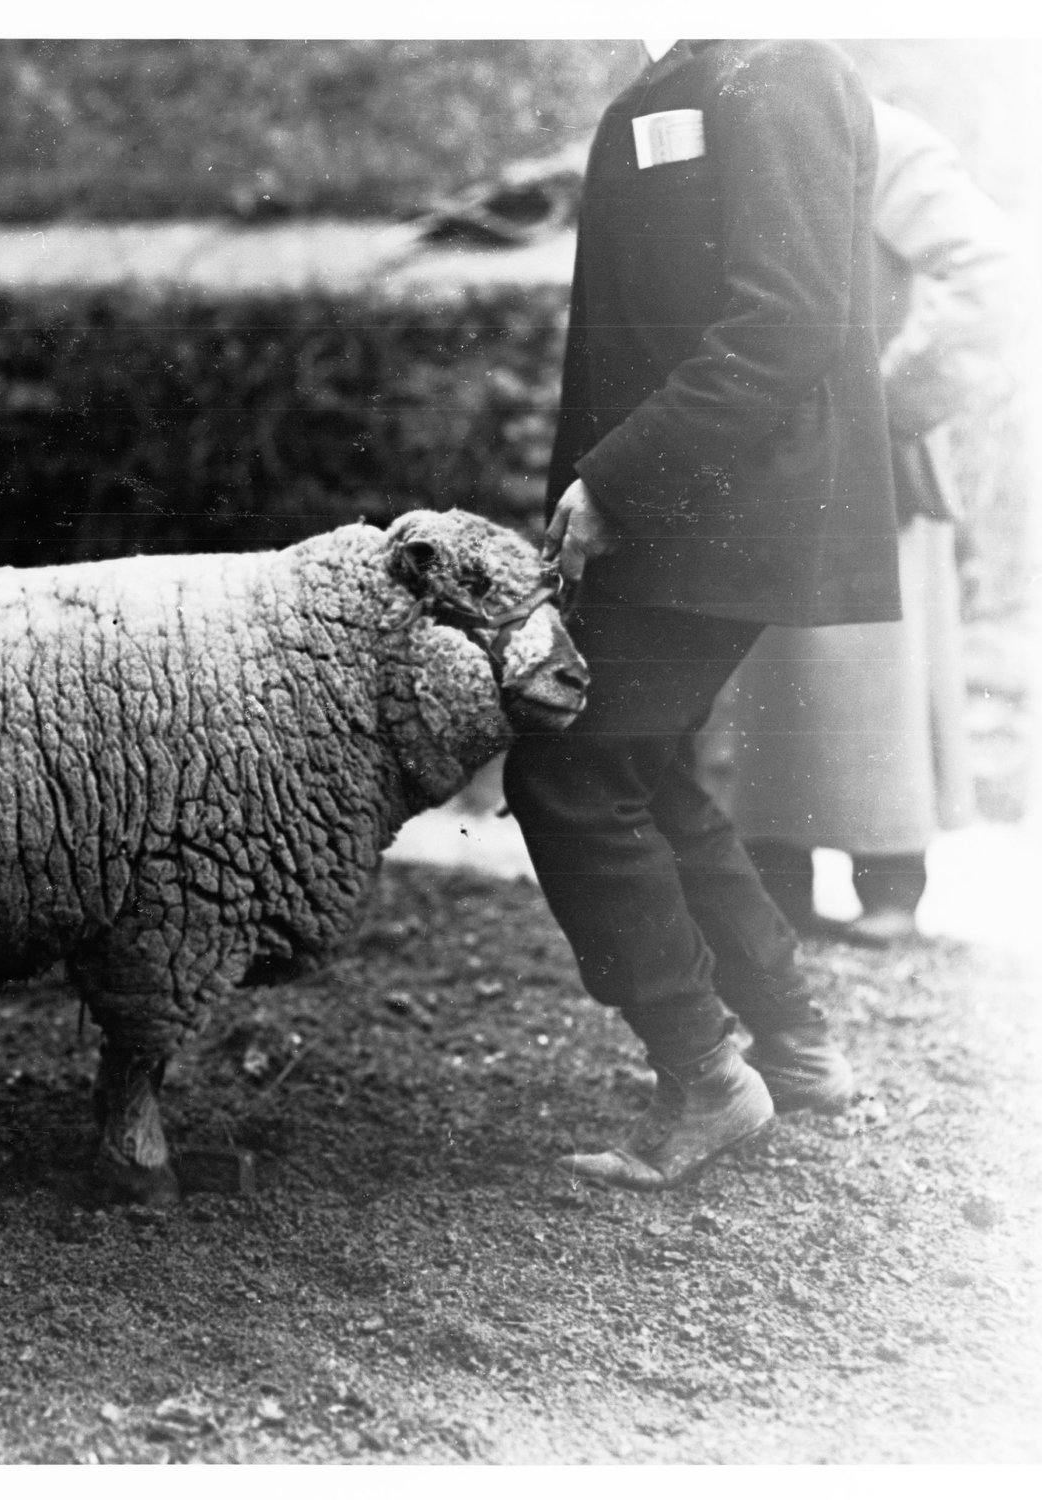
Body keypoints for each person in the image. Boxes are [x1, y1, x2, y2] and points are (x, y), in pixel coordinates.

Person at [502, 39, 897, 1190]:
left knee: (566, 771)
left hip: (721, 502)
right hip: (677, 507)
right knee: (645, 765)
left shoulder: (775, 67)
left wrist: (618, 480)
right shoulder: (674, 74)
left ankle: (706, 1075)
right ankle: (793, 1045)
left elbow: (783, 325)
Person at [702, 99, 1024, 945]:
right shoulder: (725, 128)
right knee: (767, 669)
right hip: (756, 447)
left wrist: (887, 395)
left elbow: (991, 271)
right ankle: (776, 878)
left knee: (874, 661)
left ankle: (891, 881)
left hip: (874, 451)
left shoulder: (888, 138)